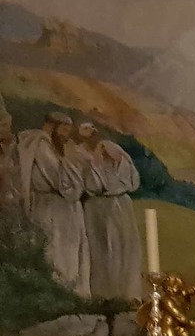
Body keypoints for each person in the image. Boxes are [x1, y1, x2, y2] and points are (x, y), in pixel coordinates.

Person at [16, 113, 87, 291]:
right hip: (52, 208)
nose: (66, 135)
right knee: (56, 253)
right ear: (52, 126)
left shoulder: (53, 145)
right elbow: (62, 183)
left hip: (63, 209)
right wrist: (70, 161)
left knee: (68, 254)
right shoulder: (41, 145)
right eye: (63, 129)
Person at [77, 123, 143, 300]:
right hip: (97, 207)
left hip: (120, 204)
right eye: (86, 134)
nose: (91, 137)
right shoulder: (80, 153)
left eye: (93, 133)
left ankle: (127, 293)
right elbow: (89, 183)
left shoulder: (110, 148)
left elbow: (129, 176)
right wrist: (94, 163)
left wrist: (116, 159)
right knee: (100, 249)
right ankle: (103, 294)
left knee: (124, 247)